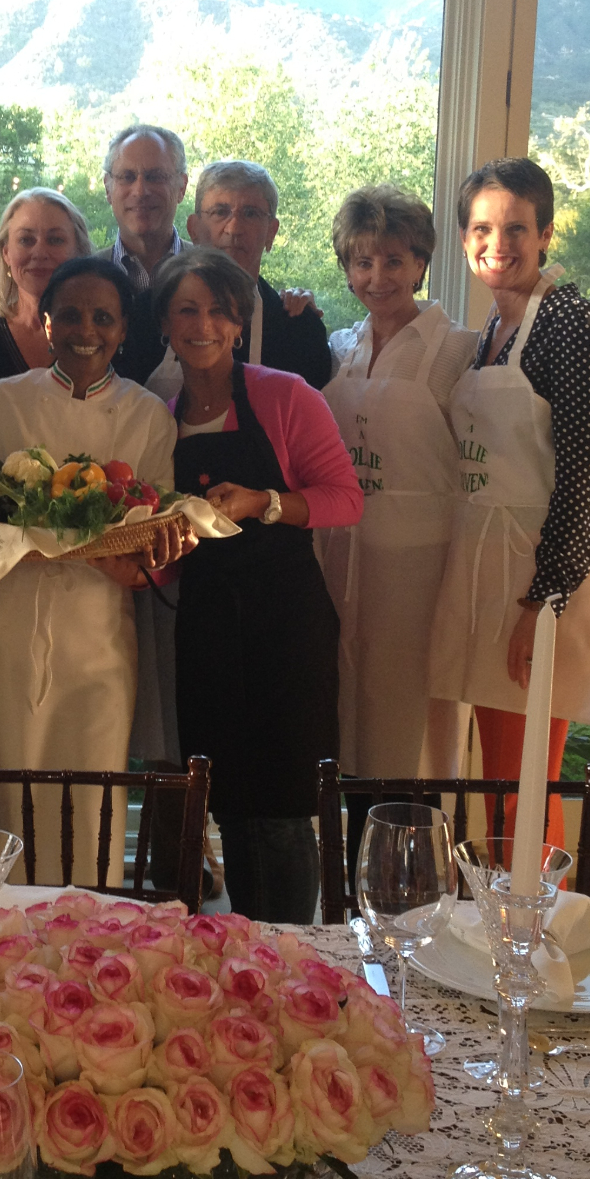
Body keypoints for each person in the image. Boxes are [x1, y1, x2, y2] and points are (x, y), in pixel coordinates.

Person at [0, 257, 187, 886]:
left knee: (94, 795)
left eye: (103, 317)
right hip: (6, 622)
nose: (85, 329)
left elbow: (158, 528)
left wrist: (139, 561)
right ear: (45, 320)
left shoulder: (148, 415)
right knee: (13, 790)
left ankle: (94, 943)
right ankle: (5, 937)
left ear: (123, 330)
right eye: (70, 314)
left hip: (100, 630)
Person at [429, 158, 590, 851]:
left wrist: (540, 603)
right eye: (482, 227)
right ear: (463, 239)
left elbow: (580, 479)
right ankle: (497, 939)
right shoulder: (490, 330)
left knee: (525, 792)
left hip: (541, 577)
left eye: (516, 227)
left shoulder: (571, 325)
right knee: (500, 782)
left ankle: (533, 948)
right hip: (487, 569)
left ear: (545, 233)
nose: (498, 243)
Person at [158, 249, 362, 922]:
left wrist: (264, 502)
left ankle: (291, 958)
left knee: (280, 806)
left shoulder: (284, 395)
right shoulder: (164, 414)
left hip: (286, 627)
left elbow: (344, 500)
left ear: (240, 323)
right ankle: (246, 949)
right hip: (209, 627)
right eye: (187, 308)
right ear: (165, 322)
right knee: (228, 802)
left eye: (219, 309)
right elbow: (163, 542)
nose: (204, 323)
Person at [316, 186, 476, 781]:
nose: (377, 276)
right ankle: (349, 852)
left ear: (420, 264)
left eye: (392, 260)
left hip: (421, 563)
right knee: (343, 701)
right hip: (341, 552)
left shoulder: (455, 349)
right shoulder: (340, 348)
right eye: (362, 261)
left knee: (409, 709)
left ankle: (412, 856)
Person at [146, 160, 332, 398]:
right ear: (194, 228)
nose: (234, 228)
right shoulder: (149, 315)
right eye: (220, 212)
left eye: (250, 213)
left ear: (271, 232)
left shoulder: (300, 331)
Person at [0, 187, 91, 419]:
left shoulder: (99, 341)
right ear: (6, 253)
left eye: (55, 240)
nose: (40, 252)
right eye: (26, 240)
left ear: (78, 252)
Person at [102, 124, 190, 384]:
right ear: (108, 188)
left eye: (156, 176)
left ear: (182, 186)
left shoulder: (209, 274)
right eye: (127, 176)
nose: (140, 191)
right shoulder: (84, 278)